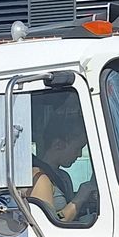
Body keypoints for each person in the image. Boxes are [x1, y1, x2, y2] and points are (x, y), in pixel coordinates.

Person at [28, 95, 98, 225]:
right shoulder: (39, 179)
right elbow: (51, 224)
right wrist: (80, 198)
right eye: (78, 148)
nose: (79, 155)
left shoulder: (63, 177)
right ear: (58, 145)